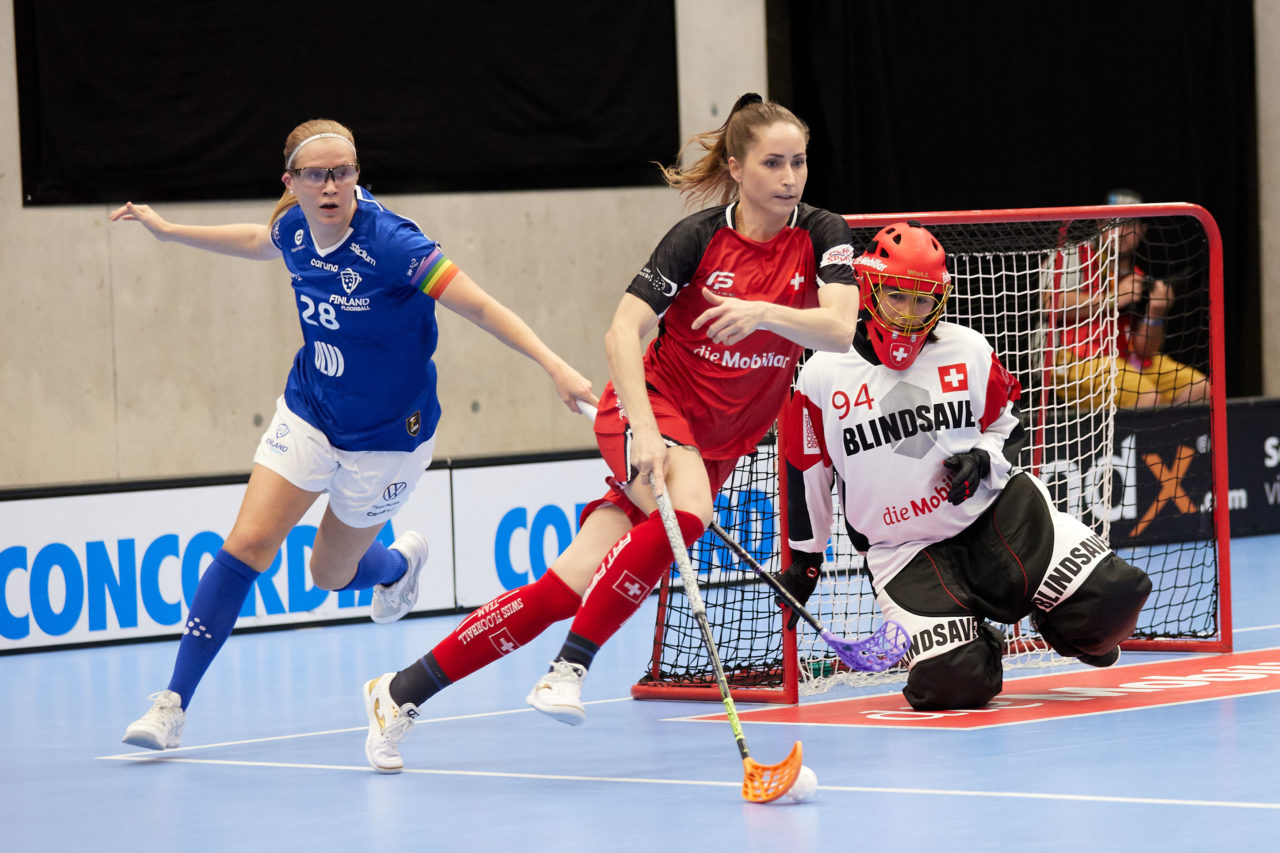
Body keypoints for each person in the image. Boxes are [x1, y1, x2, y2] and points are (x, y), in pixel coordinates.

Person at [360, 92, 862, 773]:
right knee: (687, 513)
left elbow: (838, 327)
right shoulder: (697, 239)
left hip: (717, 443)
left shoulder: (824, 233)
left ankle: (399, 689)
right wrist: (648, 431)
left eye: (798, 162)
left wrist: (762, 313)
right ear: (739, 169)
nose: (790, 177)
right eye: (773, 163)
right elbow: (622, 331)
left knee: (561, 588)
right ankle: (570, 666)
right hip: (650, 408)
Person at [113, 118, 596, 750]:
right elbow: (261, 240)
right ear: (293, 183)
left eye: (345, 171)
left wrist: (553, 365)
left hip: (390, 436)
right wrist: (169, 229)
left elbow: (478, 304)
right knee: (249, 543)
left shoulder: (394, 244)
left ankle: (396, 567)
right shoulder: (293, 225)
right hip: (311, 409)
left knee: (329, 574)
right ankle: (172, 705)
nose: (333, 184)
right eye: (317, 174)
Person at [781, 221, 1152, 711]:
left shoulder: (969, 349)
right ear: (869, 289)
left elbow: (1009, 425)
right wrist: (805, 561)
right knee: (952, 686)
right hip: (906, 552)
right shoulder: (821, 373)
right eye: (897, 297)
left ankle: (1058, 619)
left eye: (923, 300)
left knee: (1117, 598)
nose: (910, 315)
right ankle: (977, 643)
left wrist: (984, 457)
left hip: (998, 518)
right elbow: (806, 469)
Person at [1047, 188, 1209, 409]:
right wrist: (1114, 298)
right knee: (1145, 395)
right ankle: (1134, 443)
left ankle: (1170, 440)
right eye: (1112, 223)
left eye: (1129, 224)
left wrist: (1155, 314)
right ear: (1098, 225)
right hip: (1072, 358)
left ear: (1143, 230)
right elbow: (1051, 305)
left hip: (1124, 359)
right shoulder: (1072, 255)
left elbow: (1145, 350)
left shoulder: (1138, 278)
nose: (1120, 232)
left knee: (1202, 388)